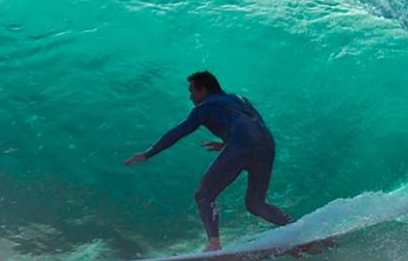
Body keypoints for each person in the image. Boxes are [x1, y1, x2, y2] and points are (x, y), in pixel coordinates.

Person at [125, 70, 295, 251]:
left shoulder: (204, 108)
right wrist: (227, 144)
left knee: (204, 195)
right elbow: (254, 127)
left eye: (192, 91)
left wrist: (147, 154)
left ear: (203, 90)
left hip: (241, 145)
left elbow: (179, 131)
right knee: (256, 204)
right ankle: (296, 228)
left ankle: (214, 243)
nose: (191, 97)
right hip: (267, 146)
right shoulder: (240, 99)